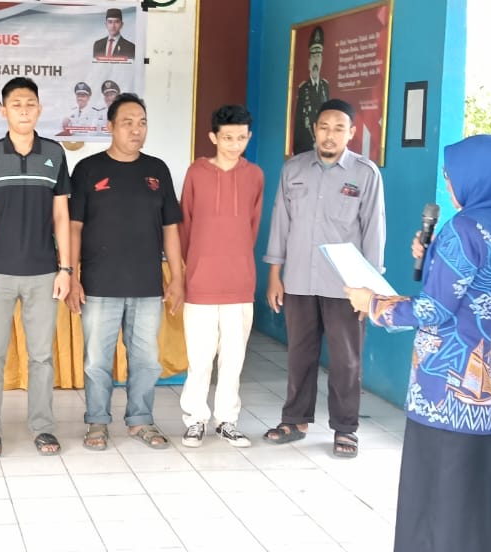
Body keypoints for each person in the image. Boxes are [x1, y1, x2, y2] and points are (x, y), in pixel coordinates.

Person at [343, 134, 491, 552]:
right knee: (473, 507)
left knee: (434, 508)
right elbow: (480, 291)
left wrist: (373, 303)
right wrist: (435, 255)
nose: (449, 185)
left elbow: (433, 310)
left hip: (449, 392)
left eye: (453, 177)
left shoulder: (463, 229)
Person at [262, 98, 385, 459]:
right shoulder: (294, 169)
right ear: (314, 129)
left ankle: (345, 428)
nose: (330, 135)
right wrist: (274, 274)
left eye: (338, 129)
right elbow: (280, 222)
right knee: (299, 354)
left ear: (351, 133)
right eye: (324, 127)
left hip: (347, 286)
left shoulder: (366, 173)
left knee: (346, 360)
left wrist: (370, 290)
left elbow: (374, 231)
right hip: (299, 279)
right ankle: (295, 420)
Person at [68, 93, 183, 451]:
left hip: (147, 285)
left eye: (142, 123)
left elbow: (171, 228)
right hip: (99, 284)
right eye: (128, 123)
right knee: (97, 361)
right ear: (110, 127)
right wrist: (71, 275)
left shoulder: (158, 170)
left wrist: (177, 277)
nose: (136, 130)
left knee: (146, 361)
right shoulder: (87, 169)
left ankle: (140, 420)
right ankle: (97, 422)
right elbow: (73, 227)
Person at [0, 76, 73, 457]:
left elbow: (61, 216)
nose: (24, 110)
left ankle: (42, 428)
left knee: (41, 356)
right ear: (3, 110)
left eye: (30, 104)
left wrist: (66, 269)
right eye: (16, 104)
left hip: (44, 272)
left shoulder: (55, 154)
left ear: (39, 109)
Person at [178, 104, 264, 448]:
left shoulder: (255, 175)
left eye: (241, 138)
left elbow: (252, 227)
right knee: (199, 358)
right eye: (227, 138)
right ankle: (195, 419)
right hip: (200, 281)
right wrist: (192, 266)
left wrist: (236, 258)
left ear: (249, 137)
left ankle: (227, 420)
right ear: (213, 137)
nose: (234, 144)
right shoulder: (196, 173)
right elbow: (185, 223)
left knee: (234, 359)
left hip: (240, 282)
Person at [292, 26, 330, 155]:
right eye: (313, 56)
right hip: (306, 149)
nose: (315, 61)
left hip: (323, 149)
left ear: (321, 60)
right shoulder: (303, 89)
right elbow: (298, 124)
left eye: (318, 56)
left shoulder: (325, 86)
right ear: (309, 62)